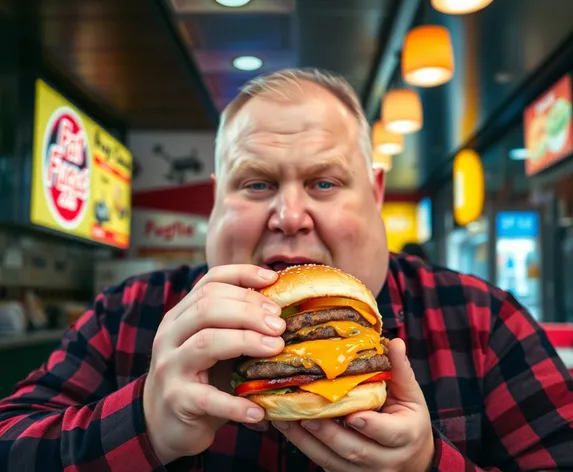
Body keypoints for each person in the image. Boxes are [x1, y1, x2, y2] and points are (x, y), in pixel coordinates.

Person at [0, 68, 572, 472]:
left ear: (374, 193)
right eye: (256, 184)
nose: (290, 215)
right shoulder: (129, 316)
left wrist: (428, 466)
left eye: (324, 182)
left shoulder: (482, 320)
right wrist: (144, 422)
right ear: (215, 200)